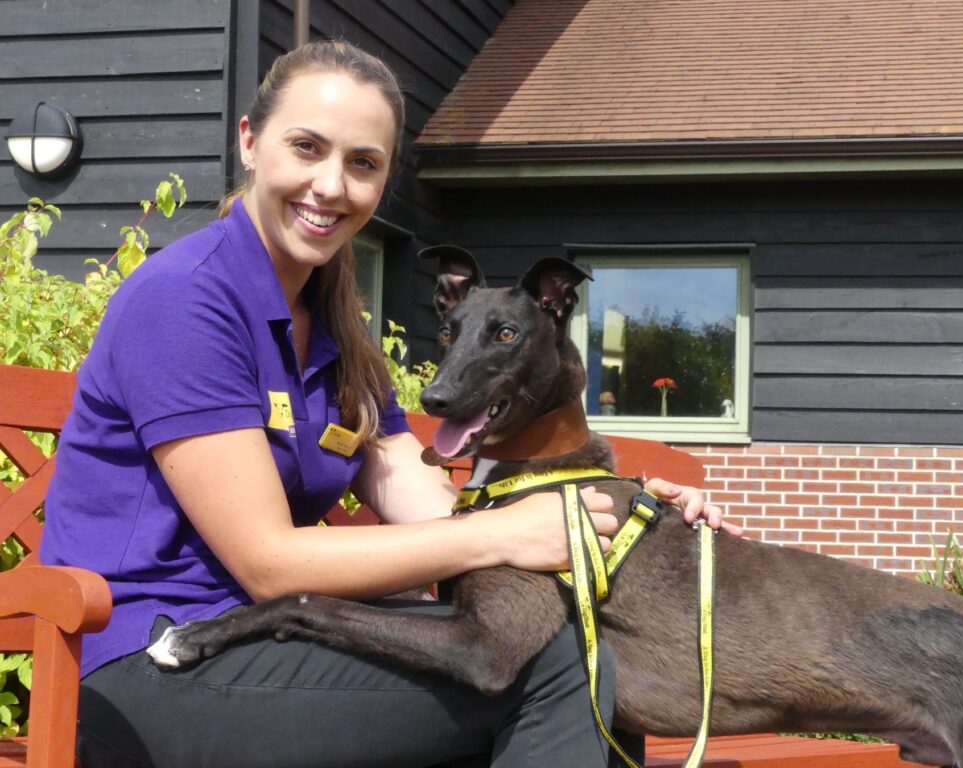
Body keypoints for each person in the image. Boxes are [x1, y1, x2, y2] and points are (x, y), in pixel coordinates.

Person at [40, 40, 738, 768]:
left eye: (362, 164)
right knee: (556, 669)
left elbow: (423, 498)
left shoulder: (334, 329)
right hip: (143, 670)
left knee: (568, 655)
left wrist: (615, 513)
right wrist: (504, 535)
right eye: (306, 147)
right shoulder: (186, 299)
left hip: (268, 649)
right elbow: (271, 565)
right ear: (250, 141)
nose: (330, 185)